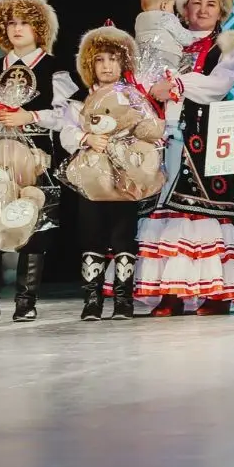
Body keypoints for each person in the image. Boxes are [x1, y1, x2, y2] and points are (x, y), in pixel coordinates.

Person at [131, 0, 234, 315]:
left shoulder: (231, 45)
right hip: (166, 136)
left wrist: (176, 85)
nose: (202, 10)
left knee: (203, 213)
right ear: (182, 8)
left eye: (211, 4)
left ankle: (217, 293)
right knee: (166, 209)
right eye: (196, 3)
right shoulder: (167, 42)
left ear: (222, 11)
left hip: (206, 137)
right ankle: (171, 292)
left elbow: (217, 86)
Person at [0, 0, 76, 323]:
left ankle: (26, 301)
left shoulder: (54, 67)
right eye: (11, 23)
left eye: (25, 22)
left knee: (33, 223)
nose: (17, 28)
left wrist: (30, 116)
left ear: (39, 28)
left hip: (36, 155)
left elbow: (66, 115)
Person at [69, 23, 162, 321]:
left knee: (124, 236)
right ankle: (92, 300)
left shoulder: (133, 96)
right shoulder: (79, 97)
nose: (107, 66)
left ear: (124, 62)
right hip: (92, 177)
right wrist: (86, 138)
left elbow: (149, 130)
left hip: (125, 176)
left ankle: (124, 300)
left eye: (113, 58)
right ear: (89, 64)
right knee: (91, 236)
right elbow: (65, 130)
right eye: (100, 59)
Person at [135, 0, 197, 186]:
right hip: (166, 68)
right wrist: (193, 34)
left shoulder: (139, 20)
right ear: (164, 5)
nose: (173, 10)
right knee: (175, 96)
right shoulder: (166, 18)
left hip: (145, 72)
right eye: (172, 5)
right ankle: (171, 128)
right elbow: (186, 38)